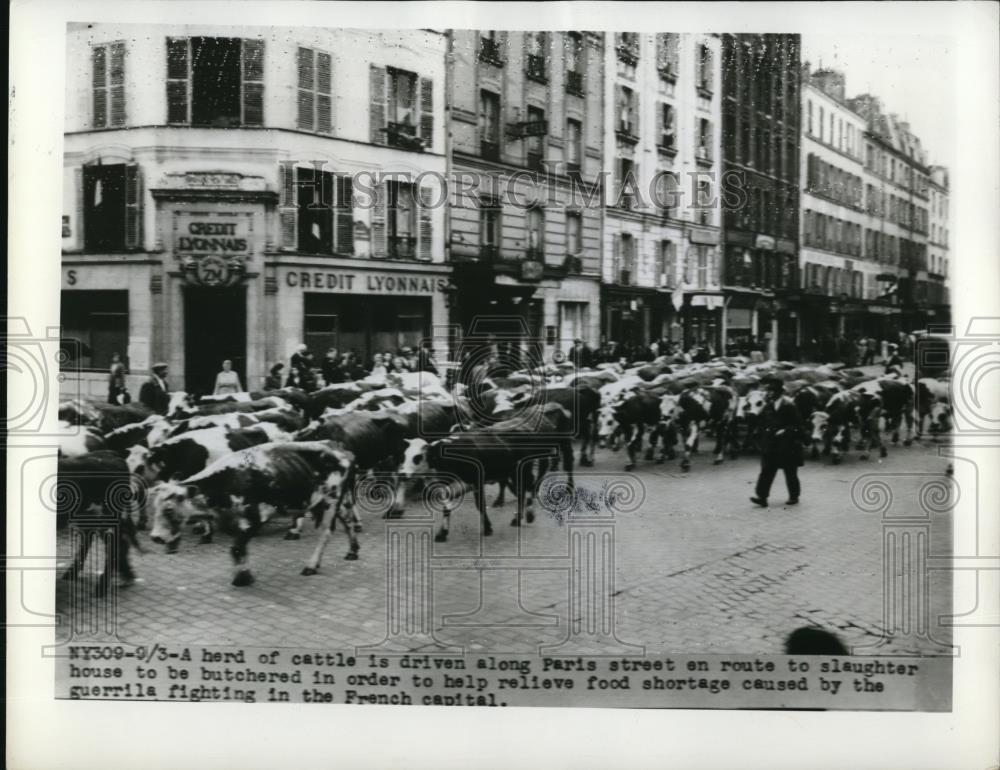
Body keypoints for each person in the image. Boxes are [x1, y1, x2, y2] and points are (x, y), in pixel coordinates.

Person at [750, 376, 804, 508]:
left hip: (788, 445)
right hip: (771, 445)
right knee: (766, 471)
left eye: (772, 391)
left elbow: (798, 425)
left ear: (779, 392)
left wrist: (785, 430)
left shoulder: (789, 405)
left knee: (790, 472)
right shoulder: (768, 406)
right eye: (768, 391)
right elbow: (761, 422)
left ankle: (794, 496)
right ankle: (762, 497)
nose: (769, 393)